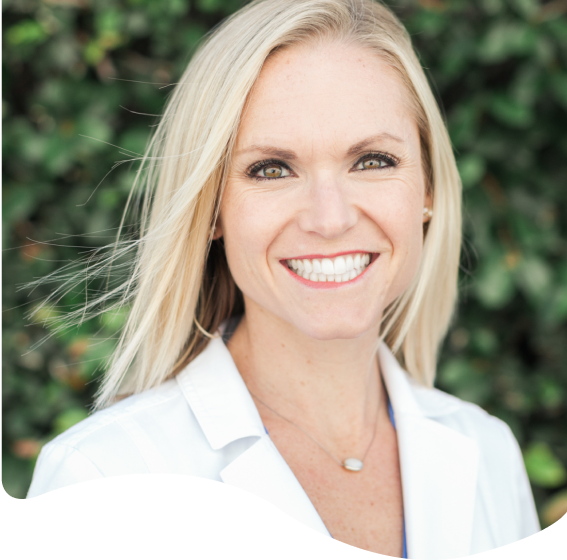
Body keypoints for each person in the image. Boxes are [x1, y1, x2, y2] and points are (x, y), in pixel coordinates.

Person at [26, 0, 540, 556]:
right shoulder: (104, 469)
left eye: (371, 161)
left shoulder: (486, 451)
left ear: (428, 190)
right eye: (271, 169)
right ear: (213, 211)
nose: (330, 218)